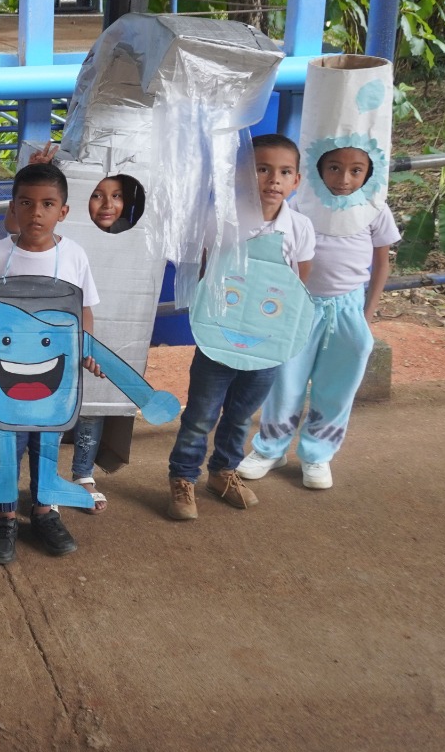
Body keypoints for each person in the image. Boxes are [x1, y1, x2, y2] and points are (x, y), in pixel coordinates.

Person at [165, 133, 315, 521]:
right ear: (243, 175)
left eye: (284, 172)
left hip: (267, 346)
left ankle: (223, 471)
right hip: (220, 338)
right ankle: (183, 477)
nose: (273, 180)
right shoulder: (222, 220)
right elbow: (205, 275)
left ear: (297, 181)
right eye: (262, 169)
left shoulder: (300, 228)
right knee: (200, 413)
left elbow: (299, 288)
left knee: (241, 413)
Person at [238, 145, 399, 490]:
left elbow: (382, 263)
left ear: (369, 173)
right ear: (317, 169)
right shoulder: (300, 206)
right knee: (284, 381)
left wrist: (365, 315)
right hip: (298, 307)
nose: (344, 179)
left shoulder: (374, 209)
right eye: (334, 168)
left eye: (356, 170)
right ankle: (270, 448)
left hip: (348, 310)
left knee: (337, 386)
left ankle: (317, 453)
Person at [0, 163, 102, 565]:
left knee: (47, 442)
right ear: (13, 207)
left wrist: (86, 350)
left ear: (63, 211)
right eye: (26, 203)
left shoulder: (74, 255)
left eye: (47, 204)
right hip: (7, 373)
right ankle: (7, 516)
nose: (36, 213)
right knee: (8, 442)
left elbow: (84, 309)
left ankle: (44, 511)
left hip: (54, 373)